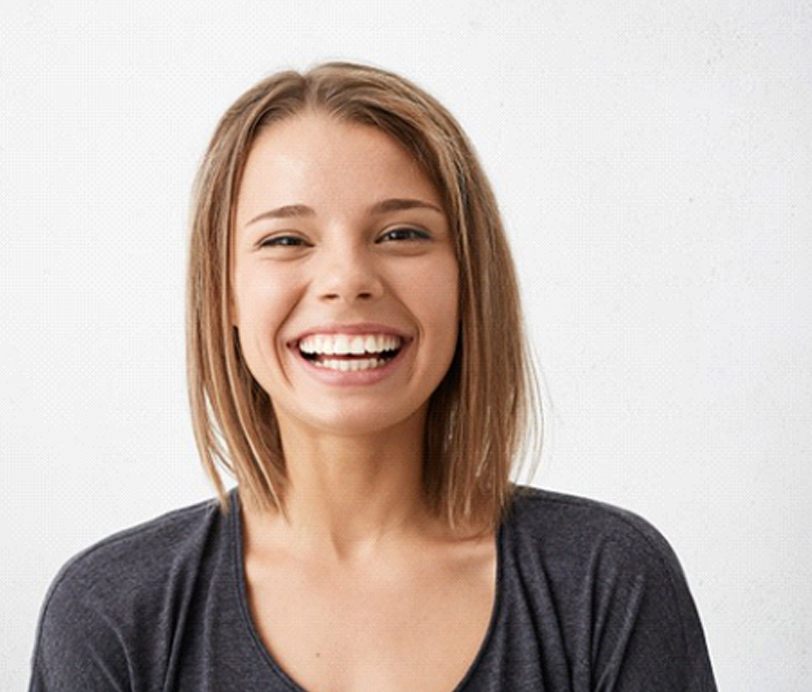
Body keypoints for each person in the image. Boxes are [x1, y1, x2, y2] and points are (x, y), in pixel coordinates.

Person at [28, 61, 718, 691]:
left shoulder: (607, 581)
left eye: (401, 234)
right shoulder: (112, 612)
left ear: (468, 281)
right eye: (286, 240)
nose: (347, 280)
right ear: (225, 295)